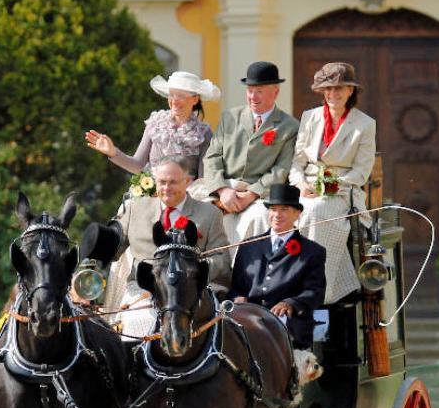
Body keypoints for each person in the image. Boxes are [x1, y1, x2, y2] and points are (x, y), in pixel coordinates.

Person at [87, 157, 231, 338]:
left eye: (173, 182)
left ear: (188, 181)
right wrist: (87, 269)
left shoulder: (210, 214)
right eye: (162, 182)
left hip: (191, 290)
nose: (166, 188)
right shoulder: (135, 209)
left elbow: (222, 260)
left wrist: (191, 272)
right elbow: (111, 250)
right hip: (143, 289)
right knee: (138, 318)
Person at [289, 61, 377, 304]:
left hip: (343, 192)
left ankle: (318, 288)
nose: (333, 94)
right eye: (328, 89)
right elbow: (296, 163)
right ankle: (286, 284)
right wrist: (300, 184)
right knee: (276, 214)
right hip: (306, 189)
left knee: (317, 211)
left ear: (351, 91)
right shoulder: (309, 117)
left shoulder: (365, 124)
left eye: (339, 88)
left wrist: (329, 184)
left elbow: (361, 172)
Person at [192, 60, 299, 247]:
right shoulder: (229, 117)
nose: (253, 97)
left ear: (275, 92)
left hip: (259, 195)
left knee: (259, 218)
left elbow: (281, 170)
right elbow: (212, 157)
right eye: (250, 90)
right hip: (222, 190)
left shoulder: (289, 126)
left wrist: (250, 195)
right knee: (191, 213)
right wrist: (223, 190)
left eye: (259, 91)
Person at [228, 184, 327, 350]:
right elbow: (237, 287)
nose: (277, 215)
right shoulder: (248, 246)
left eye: (284, 209)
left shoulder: (313, 251)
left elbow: (315, 292)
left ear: (297, 214)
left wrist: (290, 303)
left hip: (289, 328)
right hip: (249, 324)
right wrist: (238, 298)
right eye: (273, 209)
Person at [85, 71, 218, 179]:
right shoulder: (155, 123)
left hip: (185, 202)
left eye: (181, 96)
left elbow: (203, 180)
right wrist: (113, 152)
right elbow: (138, 165)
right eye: (171, 95)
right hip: (150, 196)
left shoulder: (204, 133)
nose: (174, 101)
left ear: (195, 99)